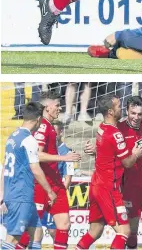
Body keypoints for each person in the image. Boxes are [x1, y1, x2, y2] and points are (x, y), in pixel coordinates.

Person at [83, 96, 142, 250]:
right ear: (127, 111)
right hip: (129, 184)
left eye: (140, 114)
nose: (136, 117)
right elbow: (111, 151)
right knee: (131, 229)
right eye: (132, 113)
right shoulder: (118, 129)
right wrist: (95, 151)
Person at [75, 95, 142, 250]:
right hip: (108, 188)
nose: (121, 109)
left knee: (96, 230)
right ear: (110, 112)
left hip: (96, 185)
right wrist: (136, 153)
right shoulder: (115, 134)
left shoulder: (102, 127)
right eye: (118, 106)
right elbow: (127, 162)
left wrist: (96, 150)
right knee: (125, 231)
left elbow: (106, 151)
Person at [29, 92, 81, 250]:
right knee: (30, 230)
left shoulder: (49, 127)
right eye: (57, 105)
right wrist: (64, 158)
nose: (60, 108)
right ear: (47, 107)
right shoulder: (43, 126)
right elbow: (36, 154)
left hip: (56, 184)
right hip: (41, 185)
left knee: (64, 225)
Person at [0, 103, 56, 250]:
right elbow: (35, 168)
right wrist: (49, 191)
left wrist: (2, 191)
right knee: (12, 240)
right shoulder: (29, 140)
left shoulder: (13, 136)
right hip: (21, 195)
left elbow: (5, 166)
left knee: (37, 233)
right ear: (38, 119)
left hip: (17, 194)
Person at [18, 121, 75, 249]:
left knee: (60, 227)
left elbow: (68, 176)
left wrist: (58, 192)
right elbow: (36, 157)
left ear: (60, 132)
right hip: (40, 187)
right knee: (33, 231)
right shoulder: (43, 135)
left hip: (55, 189)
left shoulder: (66, 150)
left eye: (56, 132)